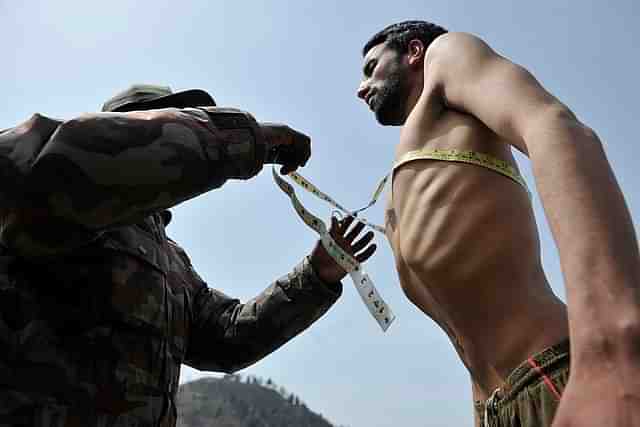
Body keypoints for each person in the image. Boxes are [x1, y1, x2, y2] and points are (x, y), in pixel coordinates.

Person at [0, 84, 376, 426]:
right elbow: (73, 166)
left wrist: (316, 275)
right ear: (122, 128)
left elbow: (228, 337)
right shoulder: (44, 174)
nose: (190, 131)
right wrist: (240, 138)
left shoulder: (172, 262)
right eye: (180, 121)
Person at [357, 21, 640, 426]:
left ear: (414, 51)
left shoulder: (447, 55)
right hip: (499, 408)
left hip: (559, 374)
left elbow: (555, 127)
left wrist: (611, 345)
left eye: (371, 67)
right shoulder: (415, 156)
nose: (361, 87)